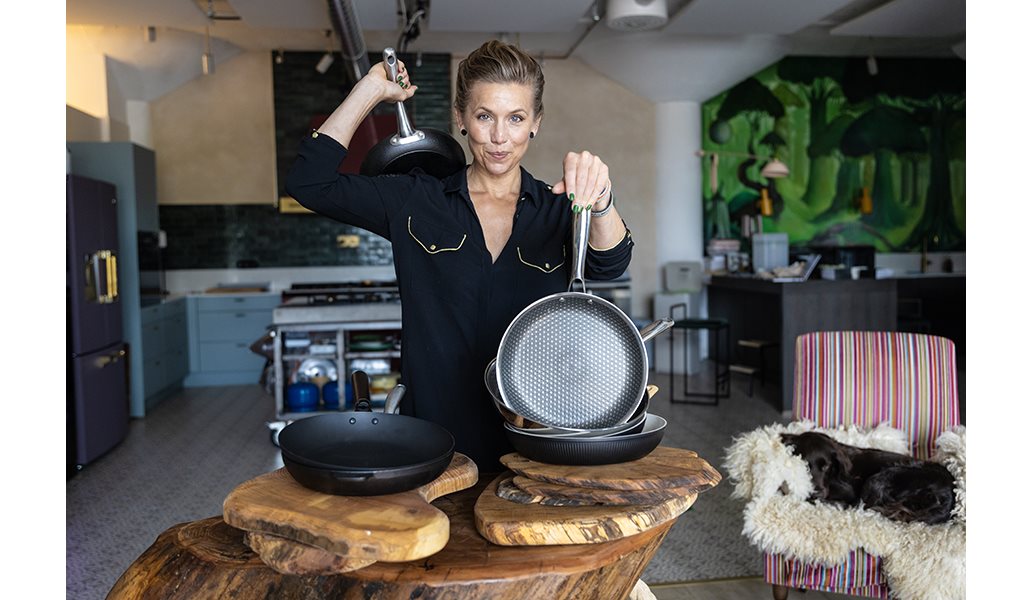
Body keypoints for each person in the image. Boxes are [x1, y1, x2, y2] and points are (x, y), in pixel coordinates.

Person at [285, 40, 634, 470]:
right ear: (461, 118)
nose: (500, 137)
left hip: (535, 438)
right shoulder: (415, 198)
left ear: (535, 123)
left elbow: (609, 264)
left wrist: (602, 199)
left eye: (516, 118)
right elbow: (309, 183)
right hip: (432, 440)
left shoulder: (560, 208)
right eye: (485, 116)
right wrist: (370, 90)